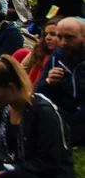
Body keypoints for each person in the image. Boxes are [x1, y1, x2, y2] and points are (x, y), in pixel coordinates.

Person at [36, 17, 85, 145]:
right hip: (61, 116)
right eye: (60, 37)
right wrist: (48, 82)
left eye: (69, 37)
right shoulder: (56, 58)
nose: (63, 42)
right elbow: (36, 94)